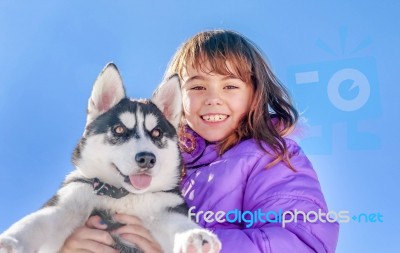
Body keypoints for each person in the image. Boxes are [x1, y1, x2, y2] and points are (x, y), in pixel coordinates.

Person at [61, 30, 339, 252]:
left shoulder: (271, 156)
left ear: (255, 95)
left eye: (230, 86)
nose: (213, 98)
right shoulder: (156, 167)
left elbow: (299, 242)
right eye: (197, 86)